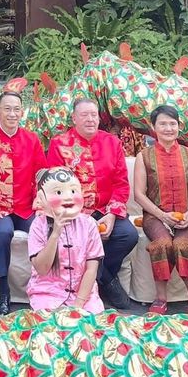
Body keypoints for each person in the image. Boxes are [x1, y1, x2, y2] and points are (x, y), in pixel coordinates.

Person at [47, 97, 138, 310]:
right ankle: (107, 281)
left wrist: (113, 214)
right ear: (74, 118)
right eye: (84, 115)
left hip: (105, 210)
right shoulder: (60, 144)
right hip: (73, 213)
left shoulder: (111, 143)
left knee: (128, 235)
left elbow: (121, 183)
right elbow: (52, 186)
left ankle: (100, 278)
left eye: (94, 115)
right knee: (83, 236)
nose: (90, 120)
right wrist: (79, 217)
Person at [0, 91, 47, 316]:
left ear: (21, 112)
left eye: (16, 109)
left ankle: (43, 288)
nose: (12, 114)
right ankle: (3, 292)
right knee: (3, 233)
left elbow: (41, 174)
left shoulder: (32, 140)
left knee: (42, 230)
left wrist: (41, 205)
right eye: (7, 109)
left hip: (26, 208)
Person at [133, 104, 188, 315]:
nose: (168, 128)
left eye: (172, 124)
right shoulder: (144, 157)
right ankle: (160, 299)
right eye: (162, 124)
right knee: (162, 244)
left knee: (183, 244)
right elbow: (139, 194)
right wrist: (162, 215)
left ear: (179, 126)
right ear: (153, 127)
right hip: (156, 216)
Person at [27, 167, 104, 313]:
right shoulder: (38, 225)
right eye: (58, 192)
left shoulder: (89, 224)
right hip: (48, 294)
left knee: (88, 330)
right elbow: (42, 269)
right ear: (41, 198)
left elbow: (91, 269)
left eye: (73, 191)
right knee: (50, 329)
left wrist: (78, 305)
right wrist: (55, 233)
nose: (68, 197)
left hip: (83, 295)